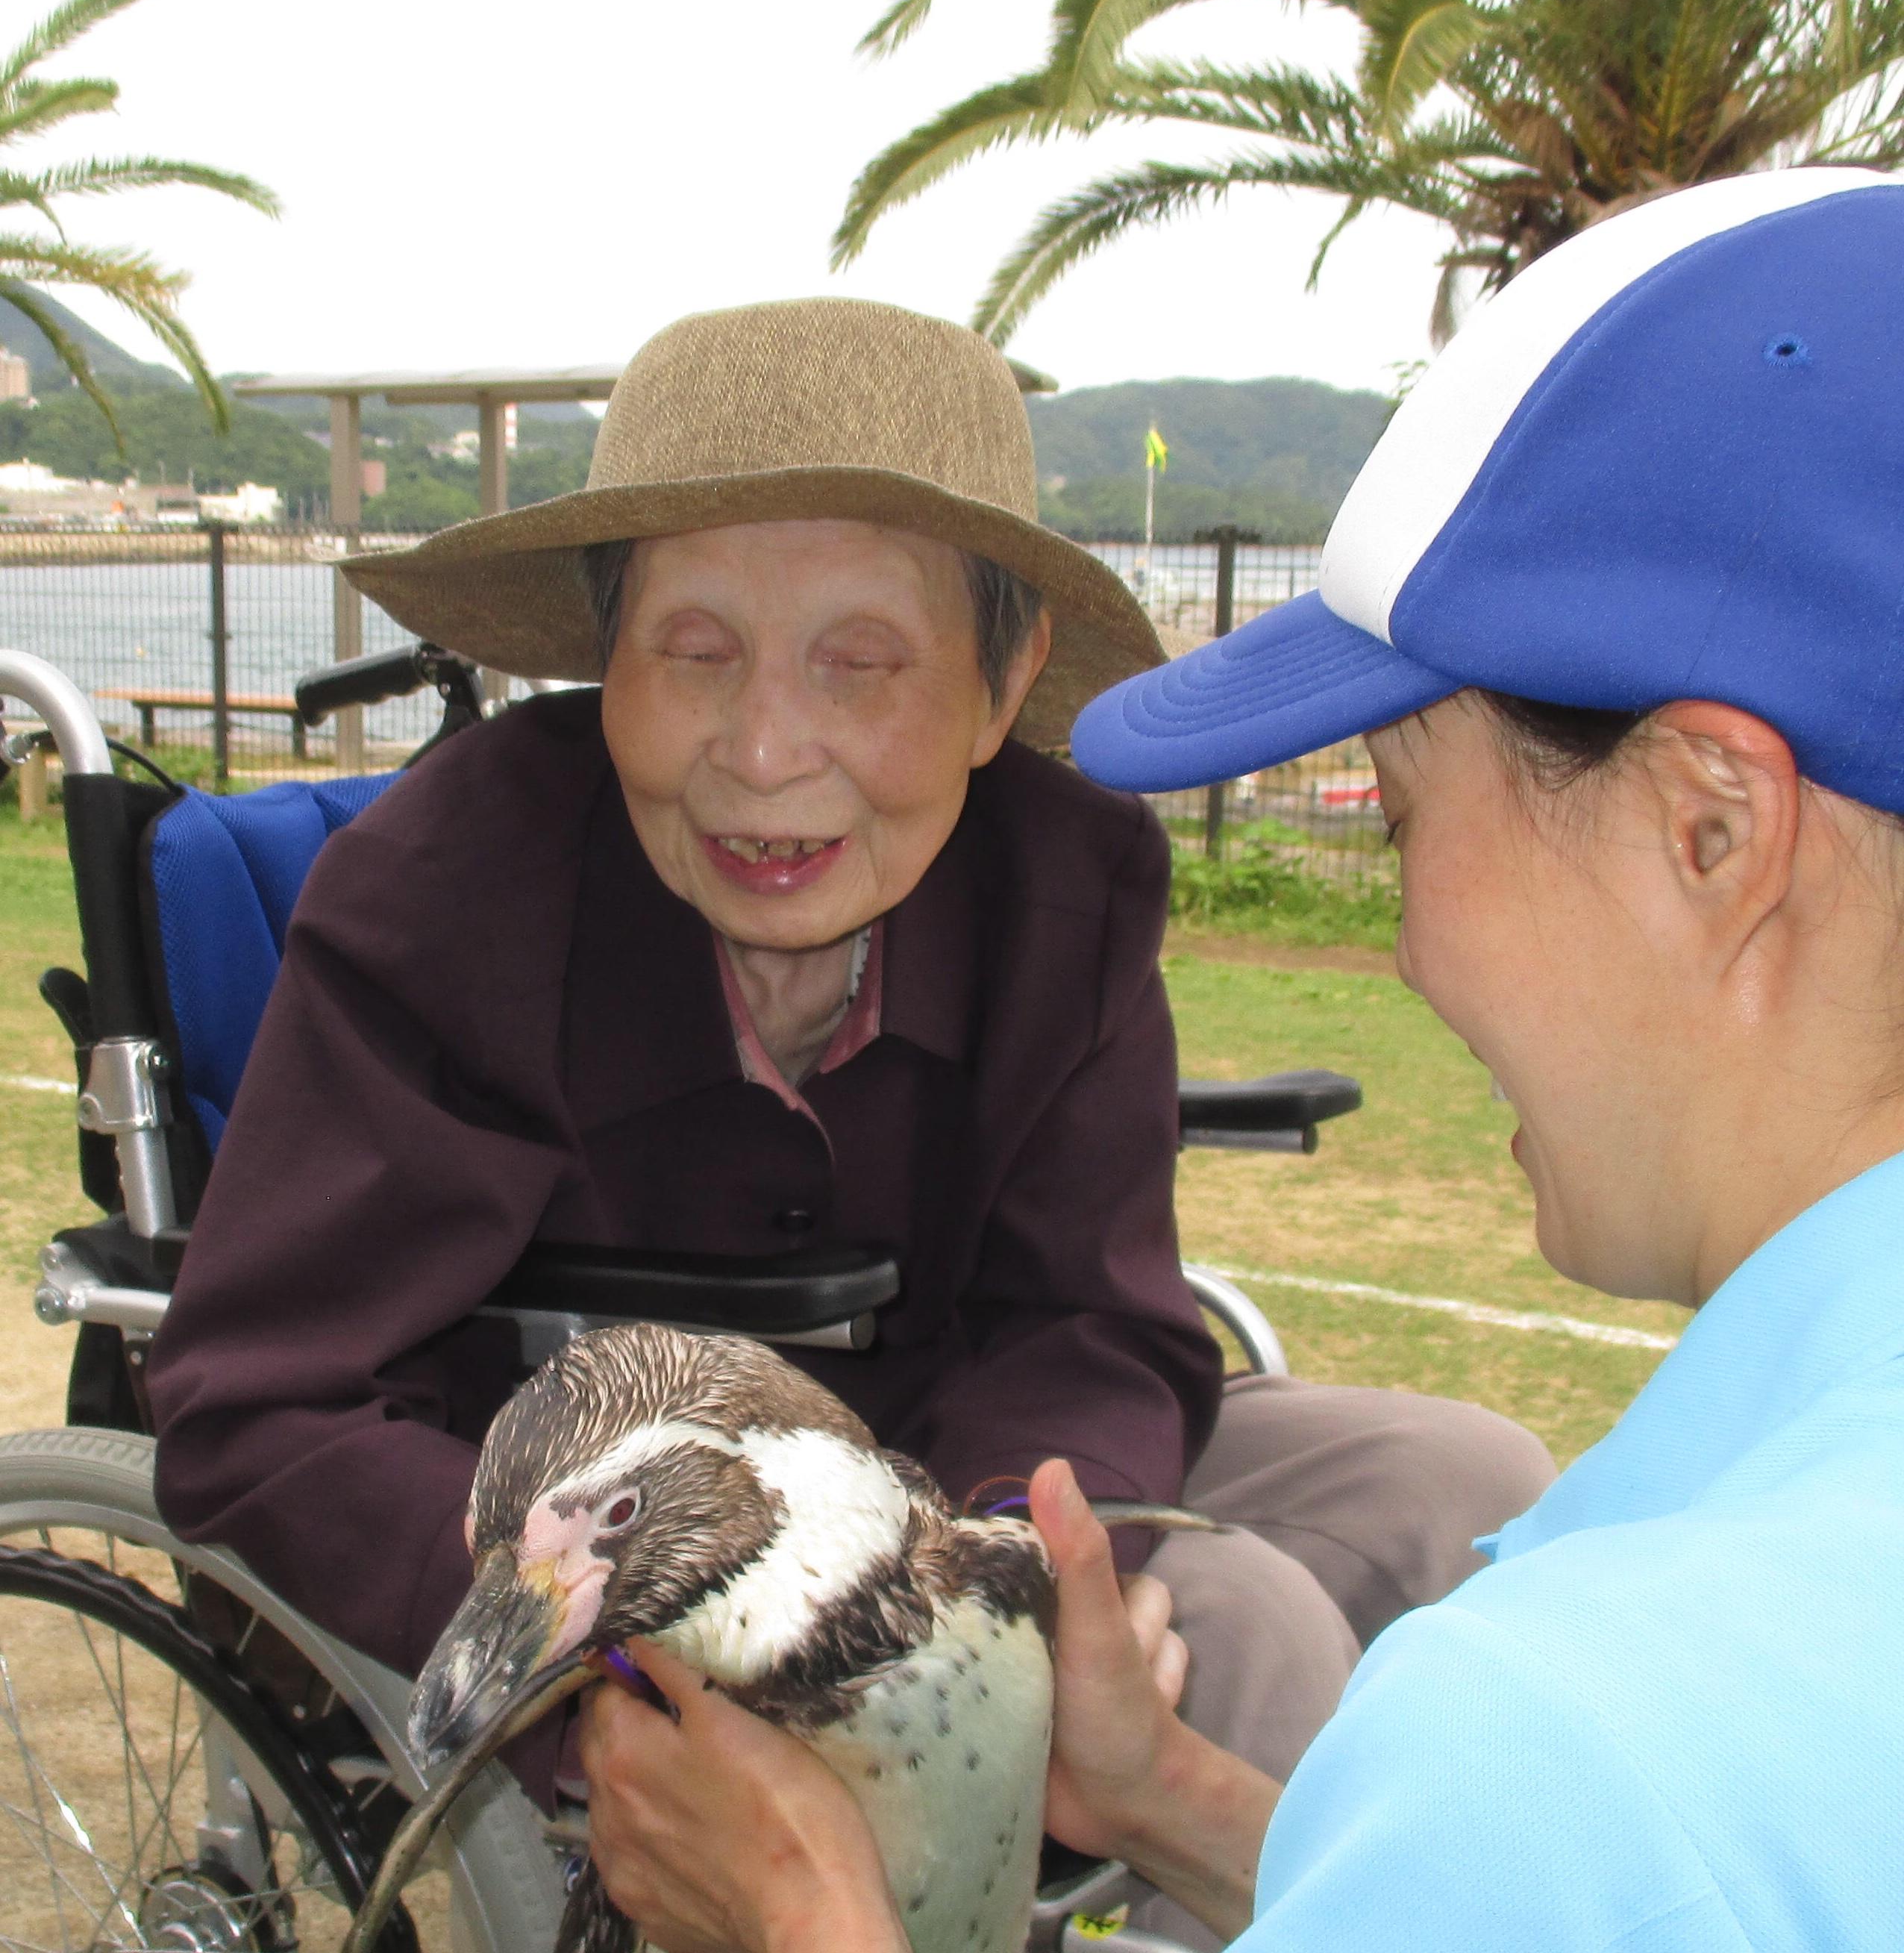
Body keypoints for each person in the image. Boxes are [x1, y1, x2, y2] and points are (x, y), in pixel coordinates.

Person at [570, 169, 1904, 1953]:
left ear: (1711, 830)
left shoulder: (1570, 1761)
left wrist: (820, 1931)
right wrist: (1183, 1794)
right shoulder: (1637, 1768)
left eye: (1397, 792)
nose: (1405, 933)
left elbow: (1572, 1883)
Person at [148, 299, 1547, 1856]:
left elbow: (1088, 1318)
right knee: (1241, 1625)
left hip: (950, 1460)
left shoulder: (1064, 890)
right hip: (616, 1544)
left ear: (1000, 692)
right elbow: (258, 1402)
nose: (761, 750)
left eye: (859, 662)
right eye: (693, 652)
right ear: (605, 665)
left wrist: (1002, 1560)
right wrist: (596, 1645)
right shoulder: (449, 893)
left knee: (1476, 1489)